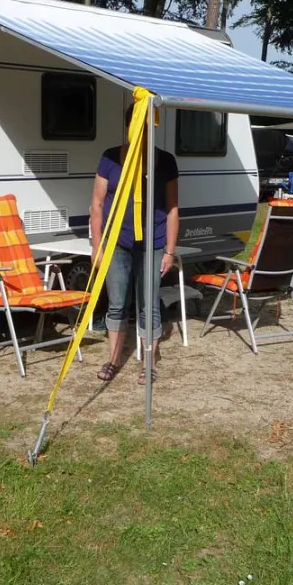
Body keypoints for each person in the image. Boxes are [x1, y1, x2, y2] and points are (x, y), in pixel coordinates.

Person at [89, 103, 179, 385]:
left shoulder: (164, 161)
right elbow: (97, 203)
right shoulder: (110, 158)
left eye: (147, 125)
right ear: (129, 125)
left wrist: (169, 251)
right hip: (117, 242)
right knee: (116, 304)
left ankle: (147, 364)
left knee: (148, 305)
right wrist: (96, 246)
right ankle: (113, 359)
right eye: (136, 124)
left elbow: (174, 208)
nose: (142, 130)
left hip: (152, 243)